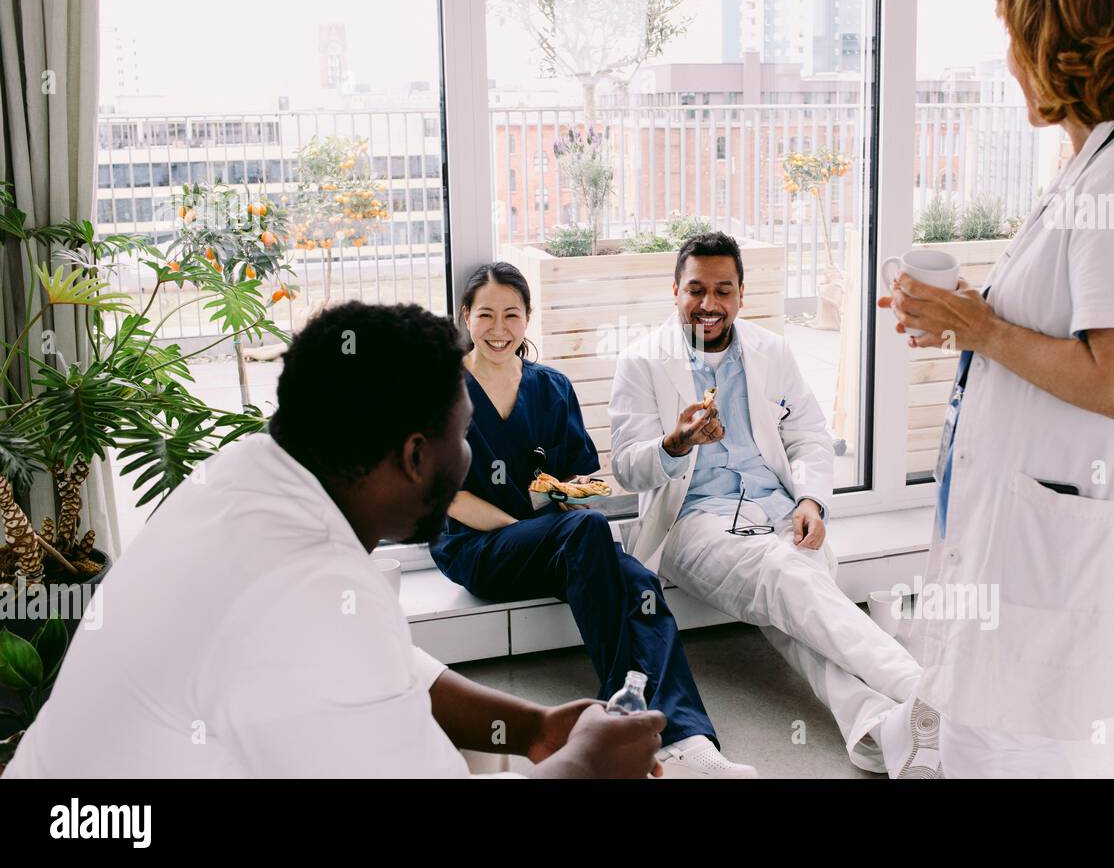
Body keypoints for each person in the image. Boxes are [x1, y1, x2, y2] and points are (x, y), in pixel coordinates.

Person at [4, 302, 665, 778]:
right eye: (460, 435)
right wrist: (585, 766)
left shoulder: (246, 473)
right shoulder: (312, 590)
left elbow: (389, 671)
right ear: (414, 455)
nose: (468, 453)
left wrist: (537, 730)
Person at [878, 0, 1114, 777]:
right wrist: (964, 319)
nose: (1011, 61)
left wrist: (981, 330)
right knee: (981, 737)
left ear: (1064, 46)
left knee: (1002, 747)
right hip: (1013, 533)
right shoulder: (1092, 169)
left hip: (1046, 546)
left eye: (1019, 38)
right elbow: (1066, 333)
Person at [609, 232, 935, 777]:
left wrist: (810, 500)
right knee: (788, 573)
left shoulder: (770, 350)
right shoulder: (642, 361)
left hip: (781, 510)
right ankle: (927, 692)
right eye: (696, 289)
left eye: (723, 290)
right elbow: (625, 466)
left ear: (741, 295)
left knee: (794, 604)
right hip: (693, 520)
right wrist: (677, 442)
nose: (708, 304)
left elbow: (808, 433)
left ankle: (876, 728)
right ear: (674, 292)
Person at [429, 262, 754, 778]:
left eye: (511, 314)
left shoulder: (551, 387)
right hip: (480, 551)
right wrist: (531, 532)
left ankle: (690, 741)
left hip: (558, 544)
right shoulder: (442, 391)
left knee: (641, 582)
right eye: (485, 314)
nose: (498, 328)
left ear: (528, 319)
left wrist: (566, 499)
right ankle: (624, 720)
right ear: (465, 316)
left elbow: (581, 481)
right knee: (585, 533)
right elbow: (447, 499)